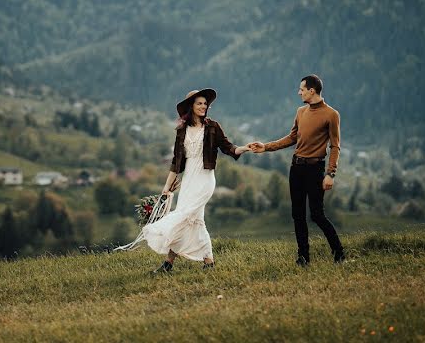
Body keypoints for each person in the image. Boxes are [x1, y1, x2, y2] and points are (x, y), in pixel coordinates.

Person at [143, 88, 248, 273]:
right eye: (199, 103)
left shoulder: (213, 127)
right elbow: (176, 162)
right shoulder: (181, 131)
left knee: (186, 216)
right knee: (192, 218)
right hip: (189, 178)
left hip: (205, 178)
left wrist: (244, 148)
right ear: (191, 106)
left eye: (205, 104)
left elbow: (228, 147)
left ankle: (174, 262)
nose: (203, 106)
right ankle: (201, 262)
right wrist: (166, 188)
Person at [248, 74, 345, 266]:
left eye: (301, 89)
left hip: (315, 169)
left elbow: (335, 146)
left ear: (312, 90)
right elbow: (292, 138)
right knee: (298, 214)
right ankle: (303, 257)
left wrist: (330, 173)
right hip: (296, 168)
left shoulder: (331, 115)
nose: (298, 92)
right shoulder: (301, 112)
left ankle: (339, 253)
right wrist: (265, 147)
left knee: (317, 215)